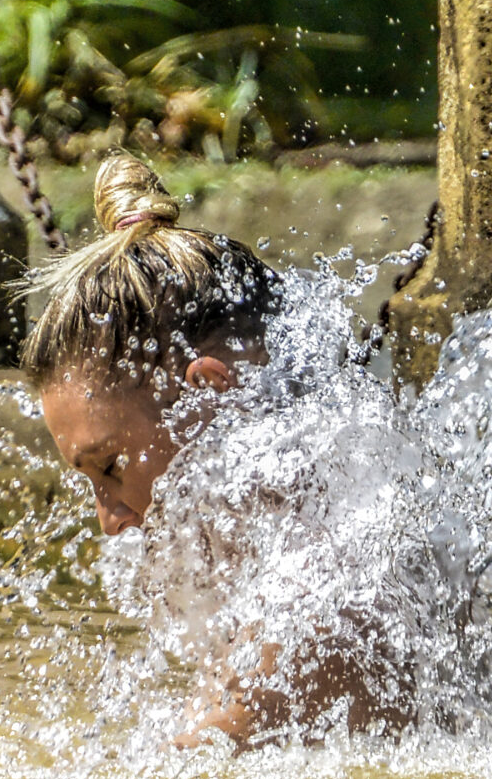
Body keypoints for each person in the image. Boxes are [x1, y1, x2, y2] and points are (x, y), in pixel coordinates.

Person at [24, 154, 399, 748]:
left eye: (110, 468)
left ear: (211, 396)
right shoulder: (347, 539)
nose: (111, 521)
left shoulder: (324, 605)